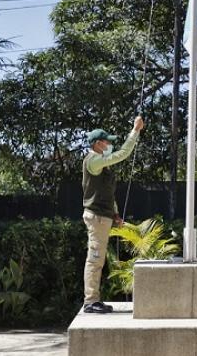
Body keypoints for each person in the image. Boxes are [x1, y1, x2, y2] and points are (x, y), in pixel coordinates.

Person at [81, 116, 144, 314]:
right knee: (95, 259)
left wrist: (115, 213)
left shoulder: (101, 164)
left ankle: (93, 300)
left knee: (97, 259)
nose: (109, 145)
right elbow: (123, 153)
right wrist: (135, 131)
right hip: (97, 217)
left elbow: (107, 193)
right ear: (98, 143)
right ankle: (90, 301)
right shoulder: (93, 161)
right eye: (106, 141)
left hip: (103, 216)